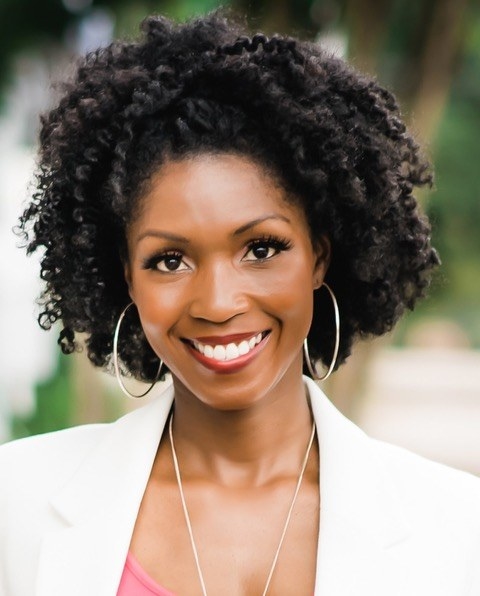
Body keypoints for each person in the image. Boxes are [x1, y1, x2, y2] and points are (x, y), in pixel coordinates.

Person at [1, 10, 479, 596]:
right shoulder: (16, 505)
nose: (218, 302)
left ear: (319, 257)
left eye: (261, 248)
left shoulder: (457, 532)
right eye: (169, 260)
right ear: (125, 277)